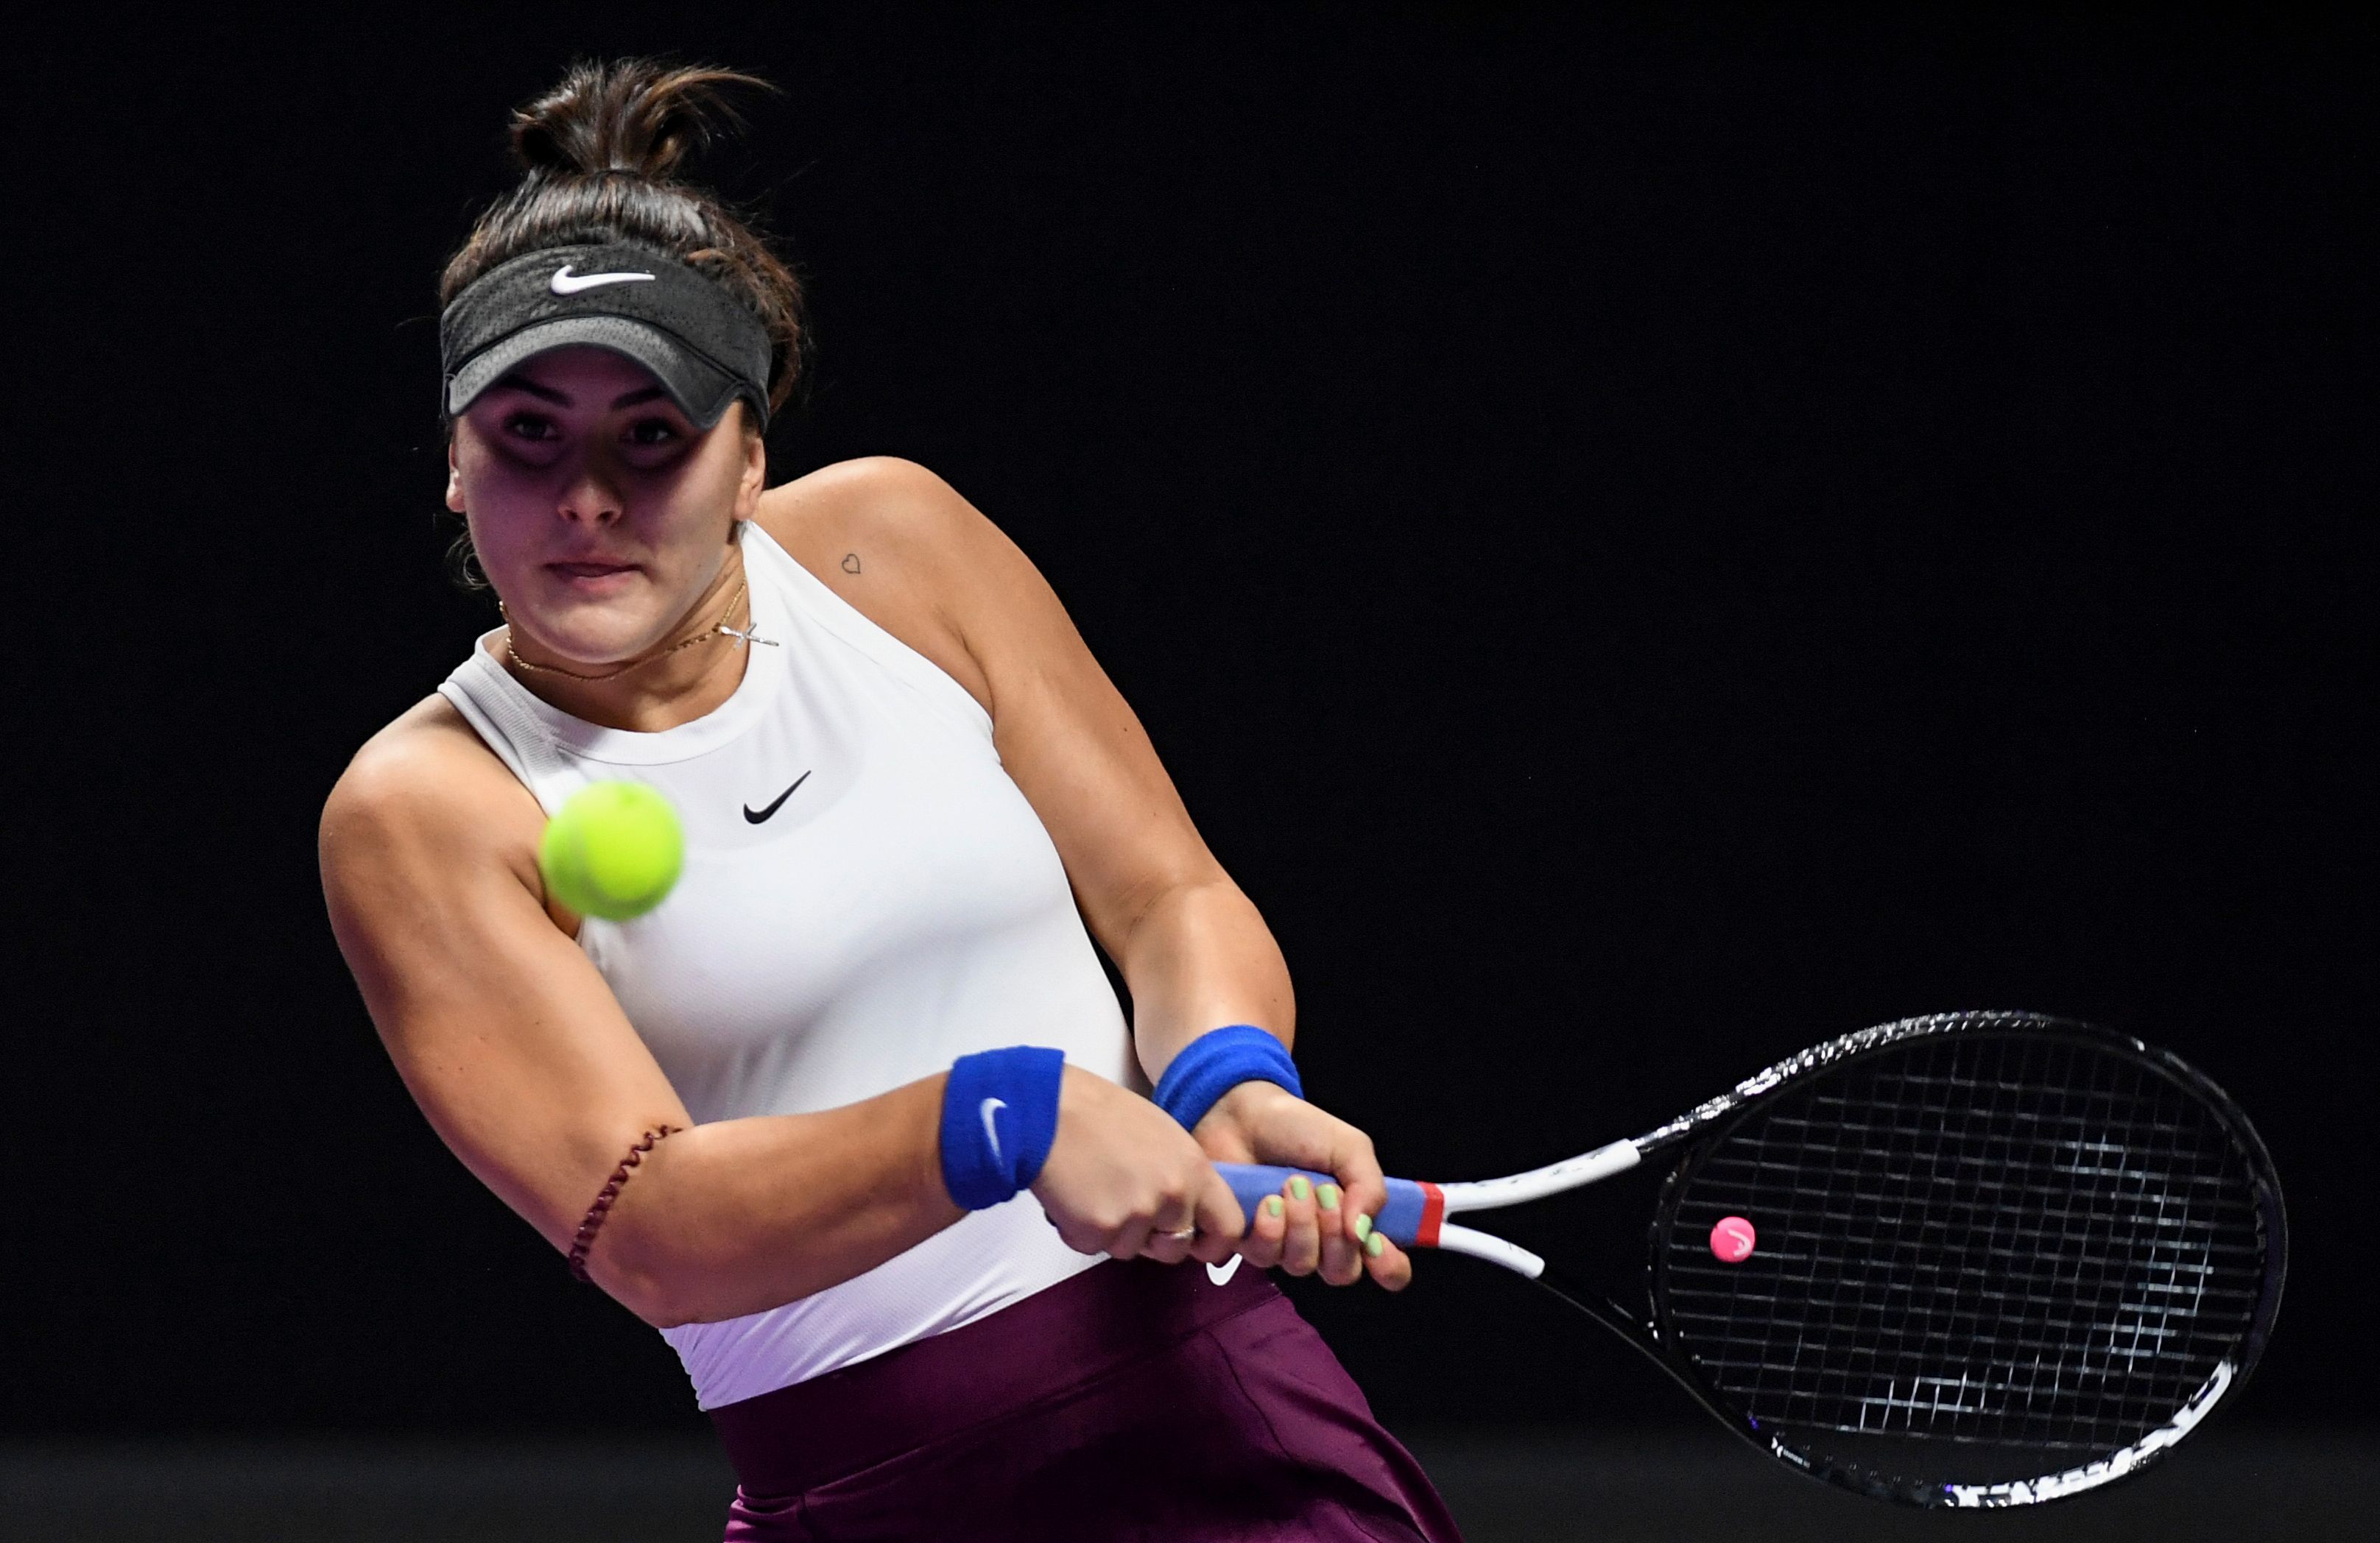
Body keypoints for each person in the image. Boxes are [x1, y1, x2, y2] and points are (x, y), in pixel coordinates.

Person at [318, 57, 1465, 1542]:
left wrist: (1222, 1079)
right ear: (456, 469)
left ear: (749, 455)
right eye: (526, 434)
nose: (587, 499)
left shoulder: (890, 548)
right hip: (877, 1489)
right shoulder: (425, 804)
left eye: (650, 435)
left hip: (1219, 1412)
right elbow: (652, 1233)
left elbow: (1164, 896)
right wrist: (1008, 1116)